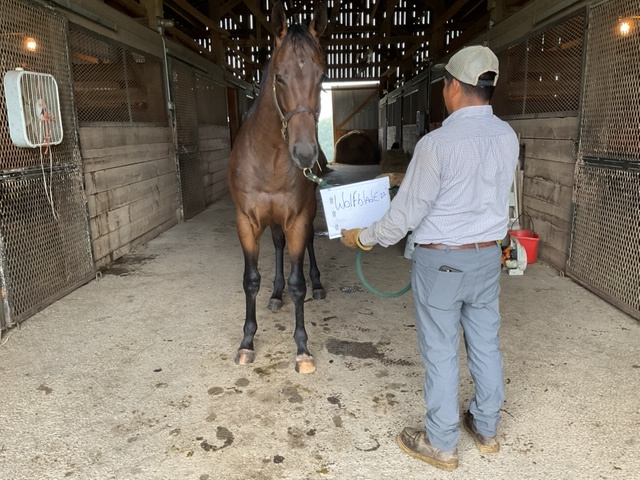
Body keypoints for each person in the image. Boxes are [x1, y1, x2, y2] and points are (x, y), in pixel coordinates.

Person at [340, 45, 519, 471]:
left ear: (453, 86)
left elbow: (405, 216)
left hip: (441, 266)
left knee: (440, 352)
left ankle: (440, 443)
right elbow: (478, 182)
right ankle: (487, 428)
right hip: (485, 259)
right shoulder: (507, 136)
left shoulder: (437, 143)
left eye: (445, 85)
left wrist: (363, 238)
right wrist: (408, 175)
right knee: (485, 344)